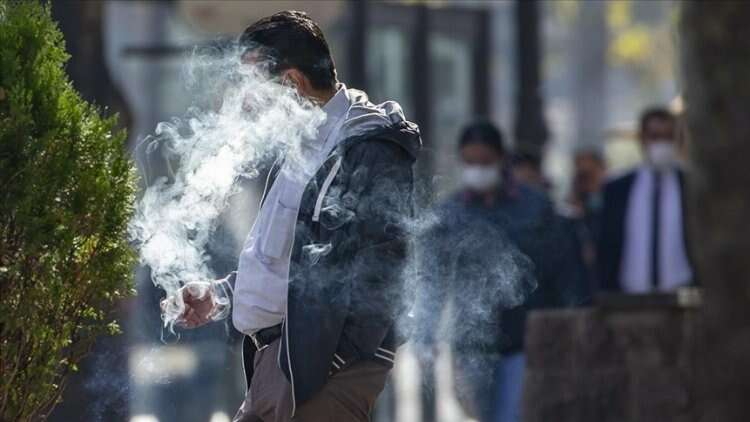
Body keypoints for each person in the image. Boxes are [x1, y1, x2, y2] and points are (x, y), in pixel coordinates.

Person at [164, 11, 421, 422]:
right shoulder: (303, 145)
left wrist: (331, 361)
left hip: (317, 374)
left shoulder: (368, 147)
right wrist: (223, 294)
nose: (247, 100)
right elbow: (293, 262)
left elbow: (383, 268)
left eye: (253, 84)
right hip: (281, 364)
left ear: (292, 83)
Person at [414, 121, 588, 422]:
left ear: (501, 159)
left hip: (527, 340)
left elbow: (563, 269)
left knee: (513, 415)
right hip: (472, 345)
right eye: (470, 161)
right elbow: (432, 278)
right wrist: (425, 335)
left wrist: (572, 322)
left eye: (485, 161)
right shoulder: (449, 214)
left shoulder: (535, 207)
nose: (477, 169)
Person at [597, 107, 694, 293]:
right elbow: (607, 244)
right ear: (642, 139)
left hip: (684, 292)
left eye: (668, 137)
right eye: (655, 136)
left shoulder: (690, 187)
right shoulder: (618, 189)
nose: (662, 144)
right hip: (628, 294)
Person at [561, 148, 607, 290]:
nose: (585, 183)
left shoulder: (612, 208)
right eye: (581, 176)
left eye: (589, 175)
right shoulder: (568, 215)